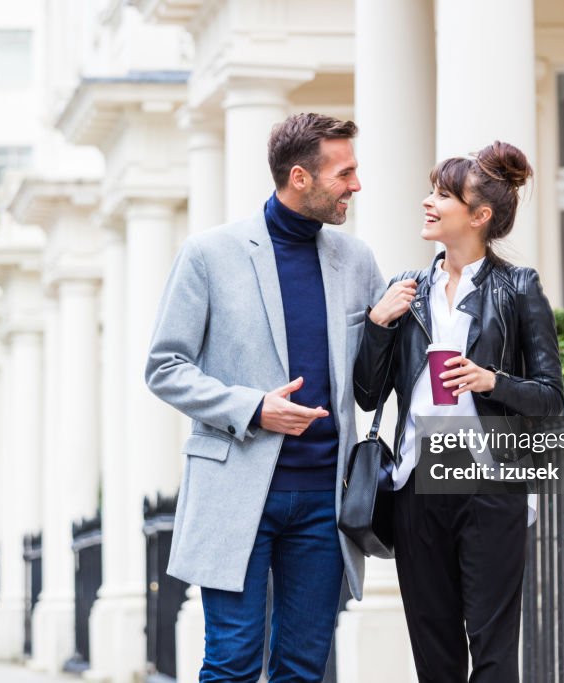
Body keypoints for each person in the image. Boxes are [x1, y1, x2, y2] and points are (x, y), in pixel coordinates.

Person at [145, 113, 384, 683]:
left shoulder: (357, 261)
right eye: (344, 172)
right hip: (236, 492)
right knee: (231, 662)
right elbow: (164, 367)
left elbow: (373, 380)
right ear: (300, 177)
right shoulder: (209, 254)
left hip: (326, 500)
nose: (355, 185)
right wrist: (253, 408)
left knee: (303, 669)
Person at [354, 141, 564, 682]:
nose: (428, 202)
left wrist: (491, 380)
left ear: (479, 216)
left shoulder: (519, 288)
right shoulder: (407, 291)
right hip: (415, 482)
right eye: (431, 190)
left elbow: (551, 396)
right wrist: (378, 325)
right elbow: (367, 394)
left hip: (490, 481)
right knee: (435, 653)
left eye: (443, 194)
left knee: (493, 652)